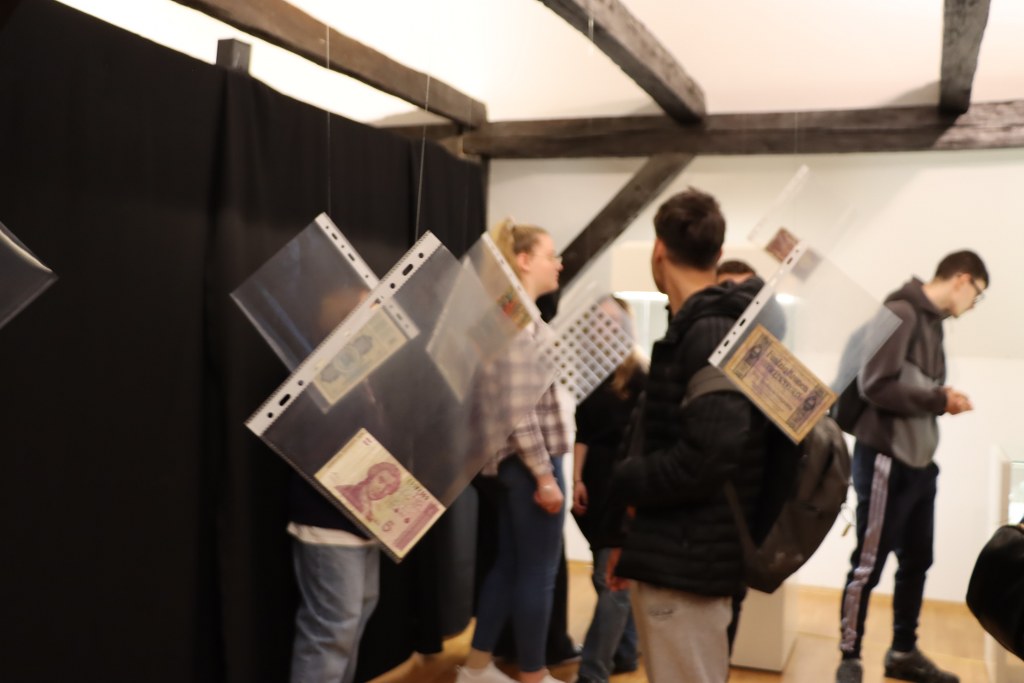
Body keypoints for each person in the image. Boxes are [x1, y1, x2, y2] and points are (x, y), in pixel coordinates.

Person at [607, 188, 770, 683]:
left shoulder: (711, 331)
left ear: (659, 250)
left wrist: (625, 478)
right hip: (682, 555)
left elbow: (708, 456)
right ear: (717, 254)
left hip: (690, 565)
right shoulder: (704, 328)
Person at [836, 251, 989, 683]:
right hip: (886, 460)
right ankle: (850, 657)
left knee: (917, 561)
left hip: (919, 464)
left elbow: (911, 386)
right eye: (977, 294)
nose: (972, 305)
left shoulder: (932, 322)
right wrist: (939, 399)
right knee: (868, 565)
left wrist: (941, 398)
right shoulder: (900, 310)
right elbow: (875, 385)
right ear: (962, 279)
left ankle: (902, 652)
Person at [457, 219, 572, 683]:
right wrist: (545, 475)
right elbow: (518, 409)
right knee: (538, 572)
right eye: (550, 255)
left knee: (509, 565)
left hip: (510, 466)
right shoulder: (515, 318)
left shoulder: (505, 315)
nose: (558, 263)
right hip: (528, 467)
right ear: (523, 260)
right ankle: (533, 675)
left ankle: (476, 668)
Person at [571, 298, 647, 683]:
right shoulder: (589, 373)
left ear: (625, 327)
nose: (604, 329)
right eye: (598, 322)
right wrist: (576, 479)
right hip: (596, 485)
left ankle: (592, 672)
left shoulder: (640, 373)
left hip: (622, 485)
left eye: (612, 321)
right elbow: (584, 433)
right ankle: (626, 652)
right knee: (605, 573)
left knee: (610, 577)